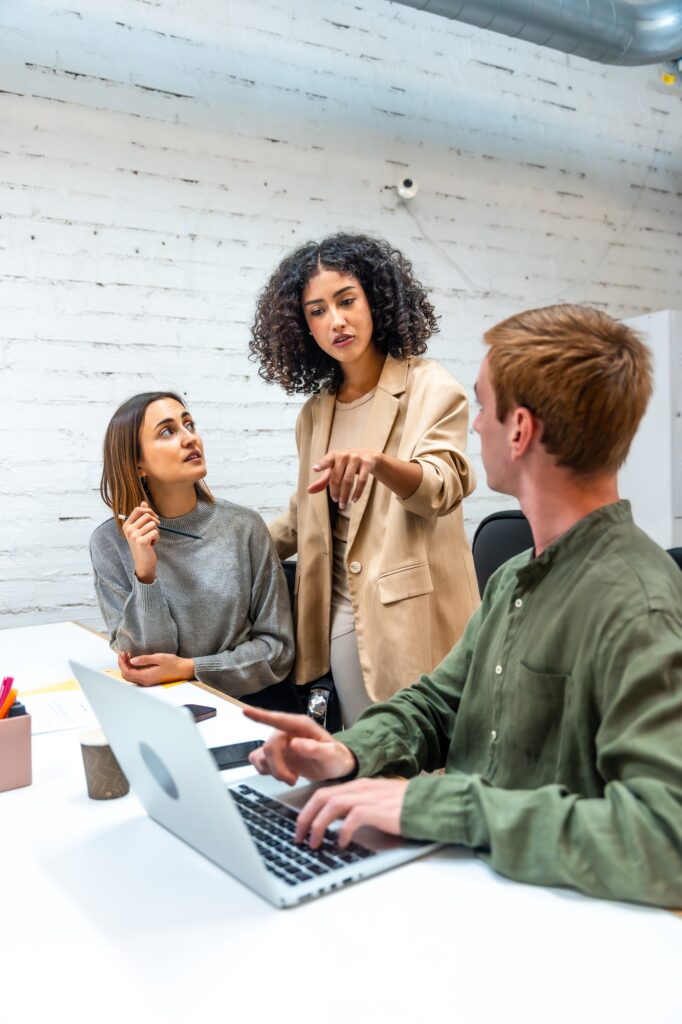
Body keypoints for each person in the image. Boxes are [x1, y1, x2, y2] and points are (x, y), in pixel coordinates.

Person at [243, 304, 682, 908]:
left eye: (482, 406)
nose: (475, 427)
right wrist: (346, 751)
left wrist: (430, 804)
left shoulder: (636, 604)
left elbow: (666, 839)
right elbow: (438, 705)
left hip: (550, 922)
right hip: (479, 885)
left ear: (520, 430)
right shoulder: (511, 579)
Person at [250, 233, 479, 726]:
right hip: (335, 608)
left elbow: (443, 486)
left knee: (417, 764)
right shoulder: (316, 413)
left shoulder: (429, 387)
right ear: (303, 327)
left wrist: (379, 463)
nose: (335, 320)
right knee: (371, 757)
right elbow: (302, 517)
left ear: (375, 299)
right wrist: (221, 546)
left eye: (347, 300)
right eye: (316, 310)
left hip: (407, 608)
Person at [90, 391, 294, 699]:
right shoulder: (110, 543)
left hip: (244, 706)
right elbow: (146, 662)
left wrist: (190, 668)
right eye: (168, 431)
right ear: (137, 465)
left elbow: (277, 650)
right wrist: (145, 573)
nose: (189, 438)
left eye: (189, 425)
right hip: (164, 707)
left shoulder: (244, 527)